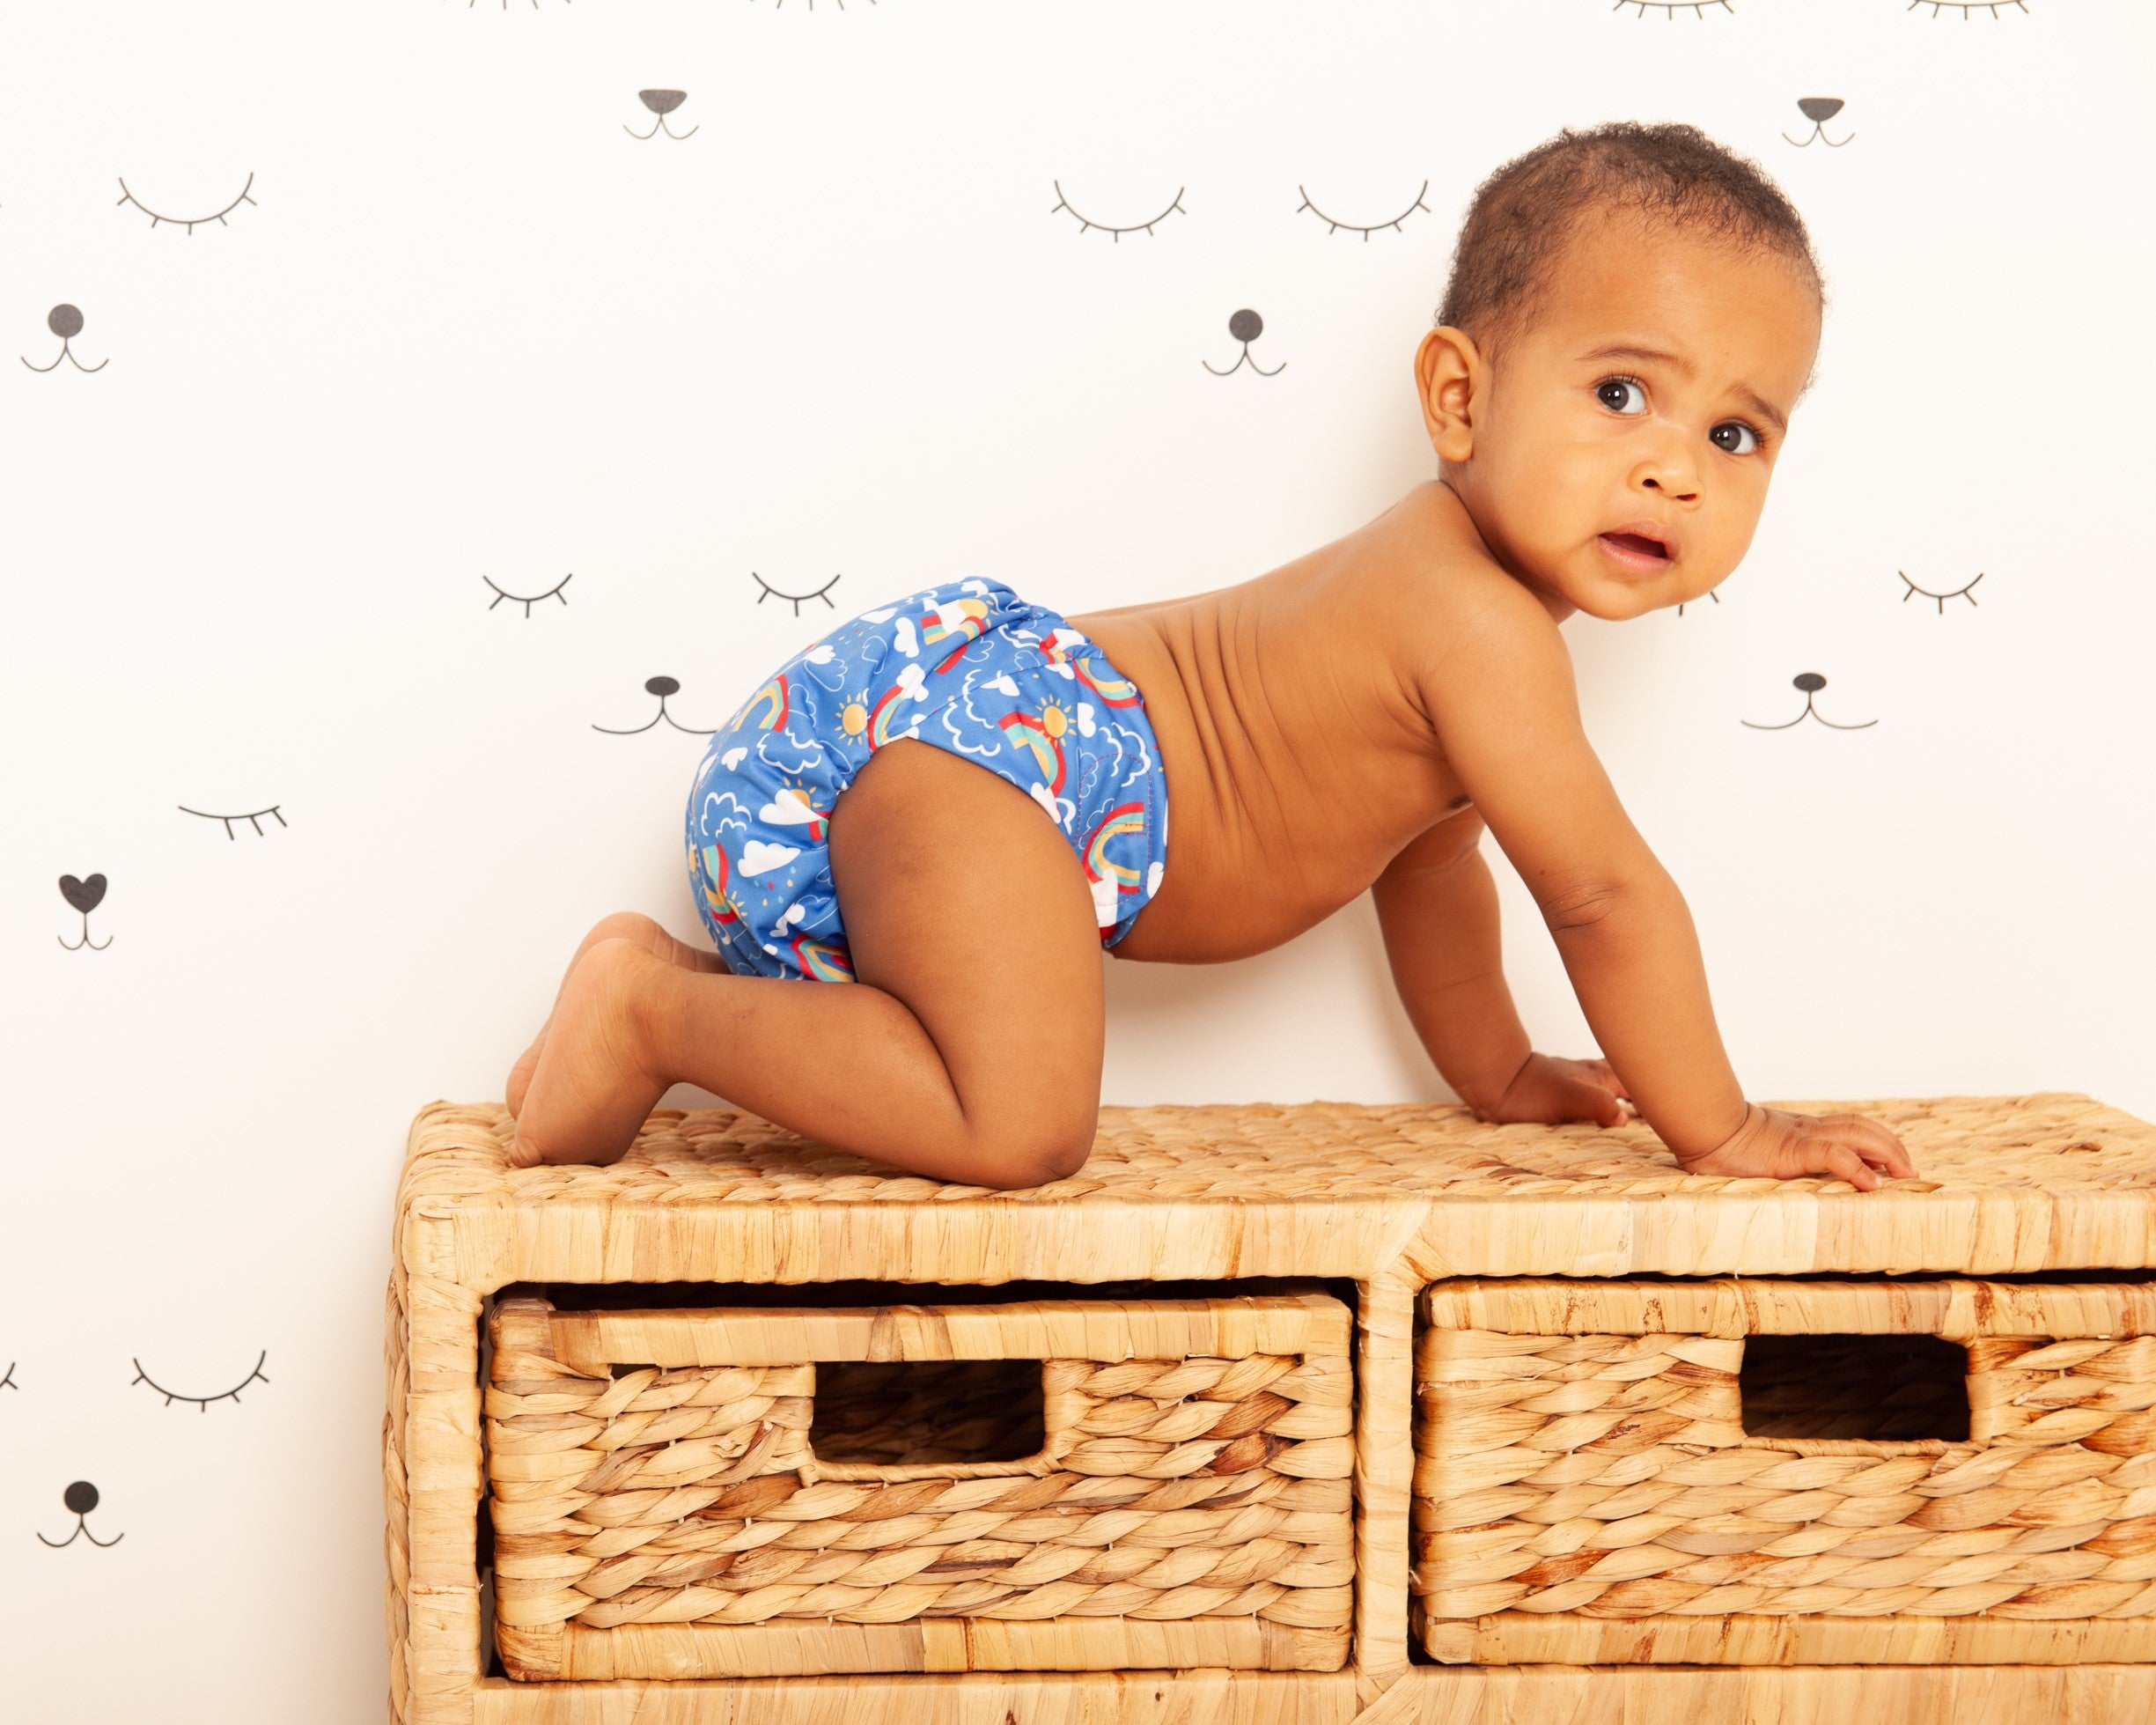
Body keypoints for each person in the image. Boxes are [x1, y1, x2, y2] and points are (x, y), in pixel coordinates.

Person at [505, 121, 1915, 1192]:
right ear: (1458, 397)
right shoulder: (1473, 621)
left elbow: (1426, 866)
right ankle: (651, 1010)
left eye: (1735, 434)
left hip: (984, 753)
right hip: (994, 761)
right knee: (1019, 1125)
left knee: (980, 1079)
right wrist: (1725, 1128)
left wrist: (1494, 1073)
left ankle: (665, 974)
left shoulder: (1454, 614)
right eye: (1621, 394)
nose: (1674, 468)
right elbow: (1602, 895)